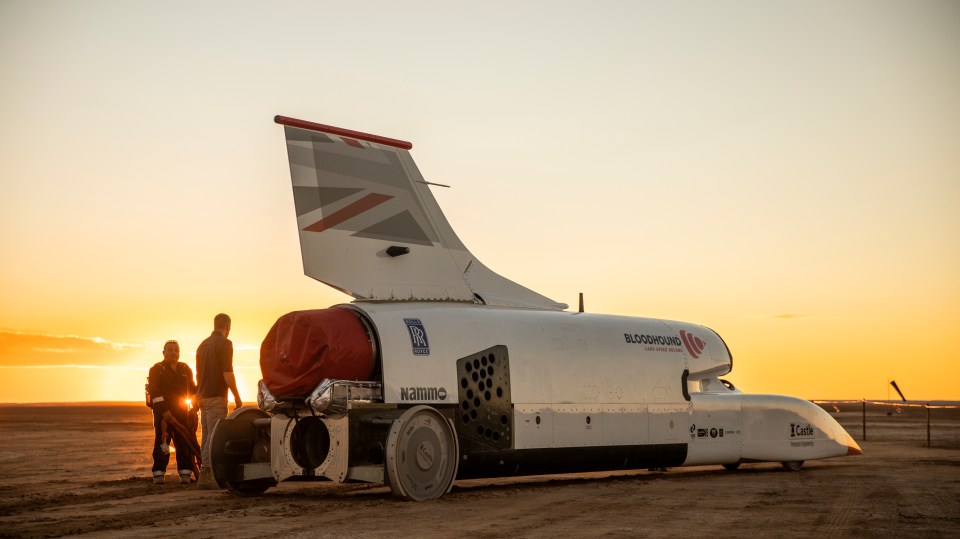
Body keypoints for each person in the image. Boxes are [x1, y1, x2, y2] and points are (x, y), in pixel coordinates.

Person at [195, 313, 242, 489]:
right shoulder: (225, 343)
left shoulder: (202, 345)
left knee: (206, 436)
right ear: (228, 327)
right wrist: (236, 395)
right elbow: (227, 372)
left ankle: (204, 475)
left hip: (202, 397)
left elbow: (198, 375)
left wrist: (197, 396)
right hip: (216, 396)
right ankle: (208, 475)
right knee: (214, 437)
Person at [147, 340, 199, 485]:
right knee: (163, 443)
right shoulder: (157, 369)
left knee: (184, 442)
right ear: (164, 353)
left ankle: (185, 473)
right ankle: (158, 474)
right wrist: (165, 412)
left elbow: (193, 389)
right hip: (163, 415)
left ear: (179, 353)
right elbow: (154, 392)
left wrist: (195, 407)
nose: (173, 352)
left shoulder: (185, 368)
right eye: (169, 350)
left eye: (176, 350)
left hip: (182, 411)